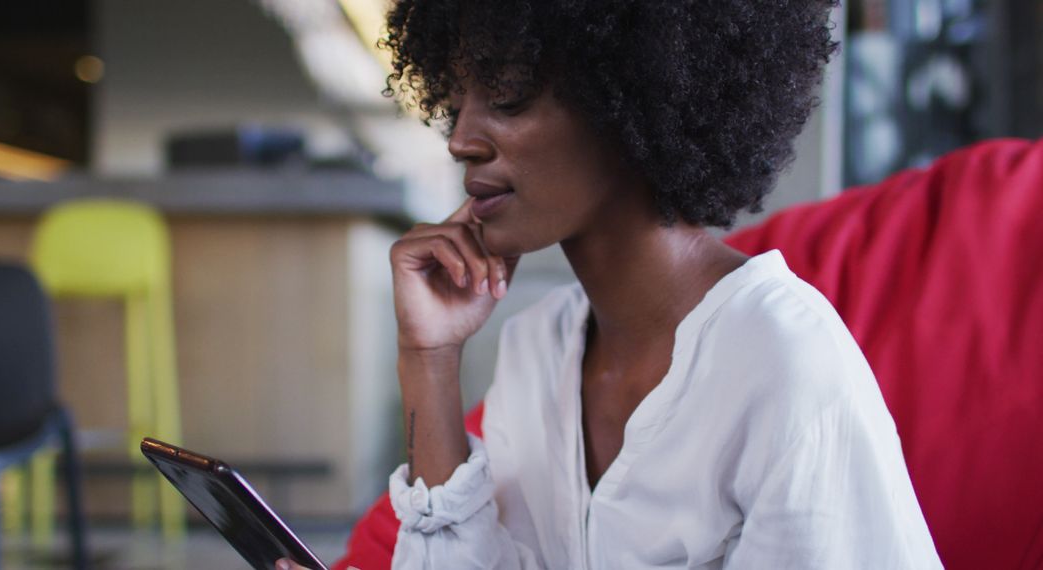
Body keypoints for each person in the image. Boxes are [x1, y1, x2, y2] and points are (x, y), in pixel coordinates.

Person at [281, 0, 942, 568]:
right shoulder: (537, 353)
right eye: (455, 106)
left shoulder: (782, 362)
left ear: (631, 94)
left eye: (506, 96)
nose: (461, 140)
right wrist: (428, 358)